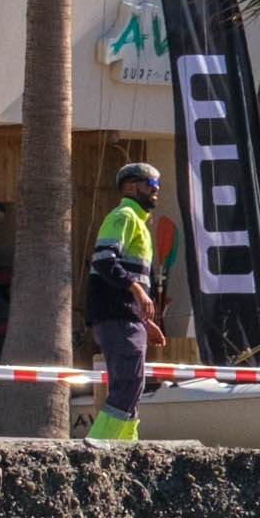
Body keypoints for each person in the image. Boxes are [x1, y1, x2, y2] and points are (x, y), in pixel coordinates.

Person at [83, 161, 166, 443]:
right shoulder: (123, 216)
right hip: (116, 315)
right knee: (129, 381)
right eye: (151, 185)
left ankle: (126, 446)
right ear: (131, 187)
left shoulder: (139, 223)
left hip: (128, 317)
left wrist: (146, 321)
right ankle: (98, 443)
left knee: (133, 383)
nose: (156, 191)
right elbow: (104, 261)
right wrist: (137, 291)